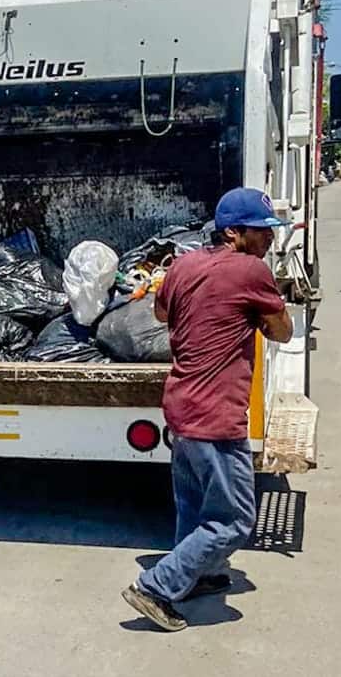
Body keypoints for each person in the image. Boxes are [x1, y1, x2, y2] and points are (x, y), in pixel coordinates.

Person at [122, 186, 294, 632]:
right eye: (261, 231)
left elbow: (161, 315)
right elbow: (283, 332)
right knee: (235, 520)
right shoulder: (250, 271)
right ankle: (156, 586)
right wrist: (254, 313)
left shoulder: (182, 265)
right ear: (233, 232)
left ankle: (200, 574)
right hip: (216, 415)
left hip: (181, 407)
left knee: (194, 506)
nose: (269, 238)